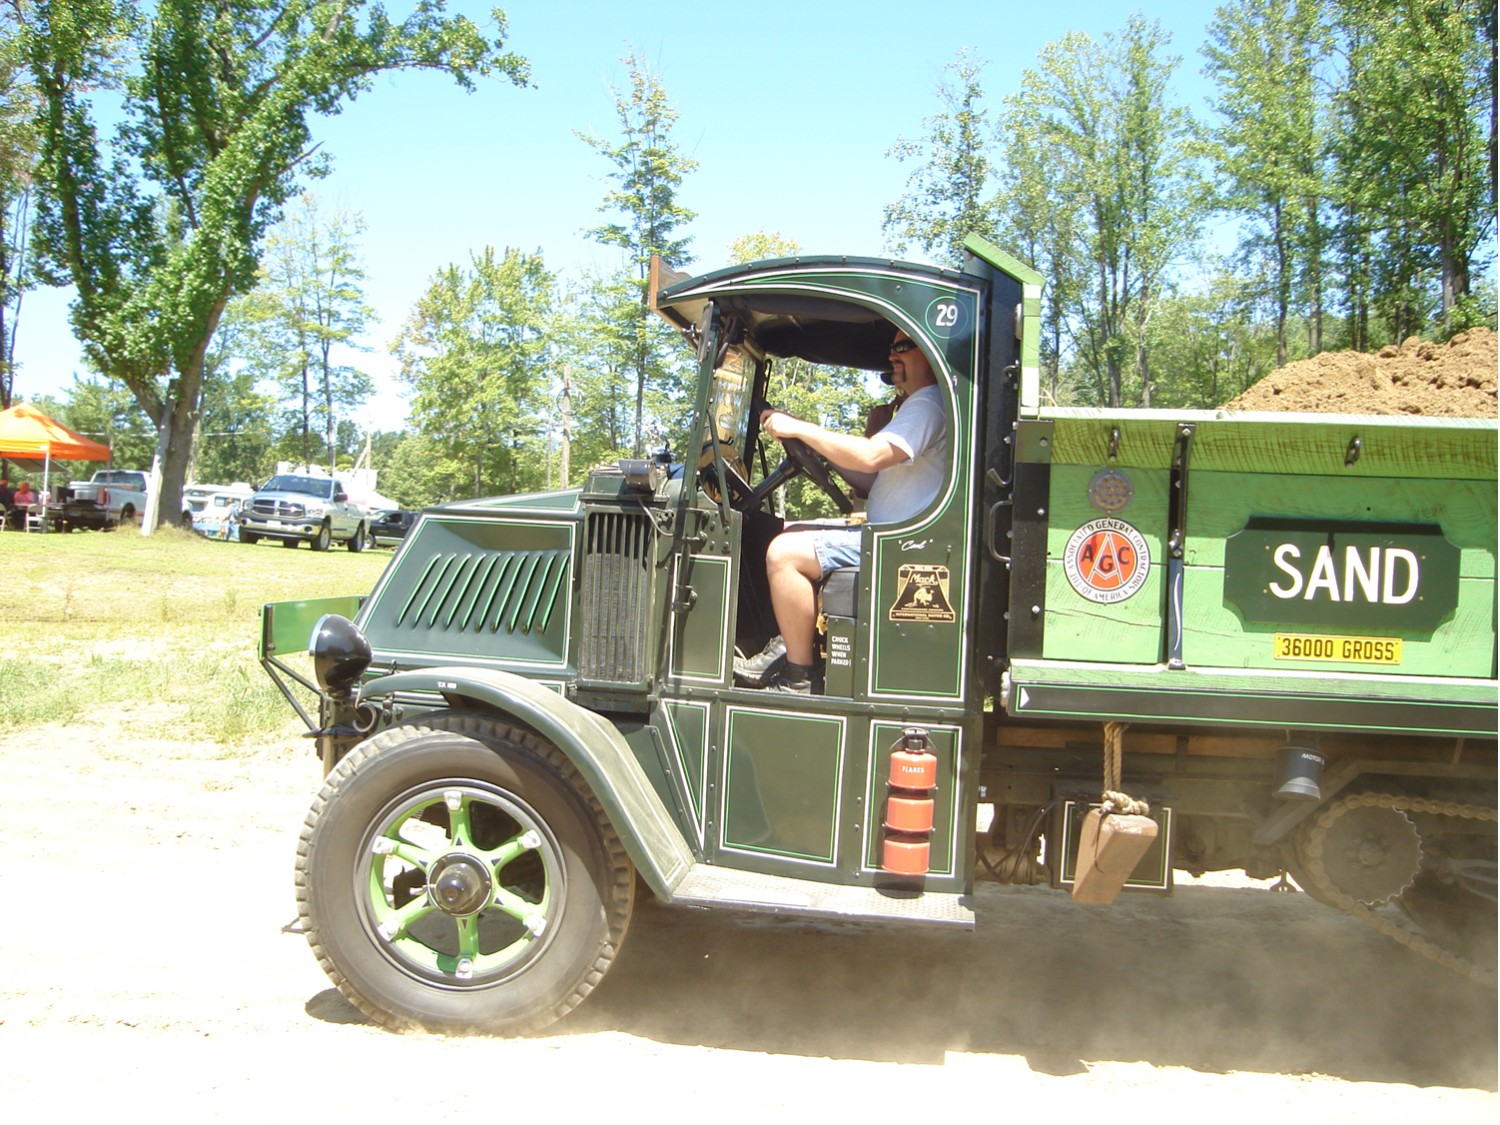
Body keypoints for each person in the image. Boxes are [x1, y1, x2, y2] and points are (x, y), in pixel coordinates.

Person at [748, 327, 947, 693]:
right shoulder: (924, 404)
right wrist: (809, 444)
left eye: (903, 346)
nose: (892, 355)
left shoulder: (929, 402)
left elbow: (871, 457)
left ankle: (798, 677)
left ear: (931, 354)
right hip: (898, 538)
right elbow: (873, 480)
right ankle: (791, 637)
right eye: (892, 347)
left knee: (783, 553)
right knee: (790, 530)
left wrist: (801, 428)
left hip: (900, 545)